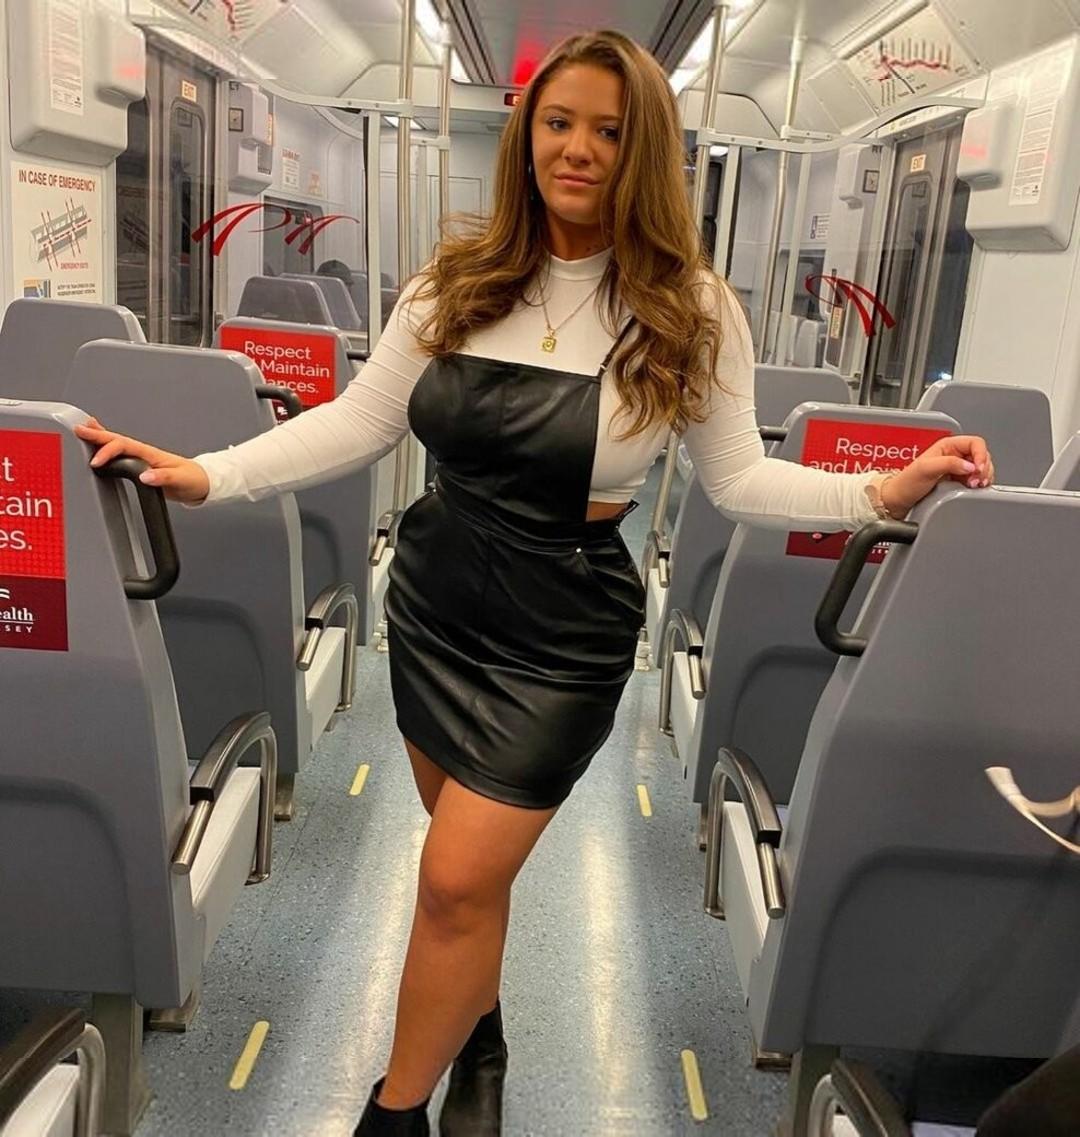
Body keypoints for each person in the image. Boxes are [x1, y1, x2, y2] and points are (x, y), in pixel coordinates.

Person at [75, 29, 994, 1137]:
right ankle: (483, 1037)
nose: (579, 149)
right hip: (437, 598)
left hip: (562, 629)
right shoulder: (456, 282)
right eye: (558, 123)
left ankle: (391, 1117)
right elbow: (360, 423)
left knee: (456, 880)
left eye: (609, 131)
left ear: (644, 152)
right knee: (469, 884)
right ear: (527, 135)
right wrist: (206, 473)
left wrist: (884, 490)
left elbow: (740, 480)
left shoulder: (691, 307)